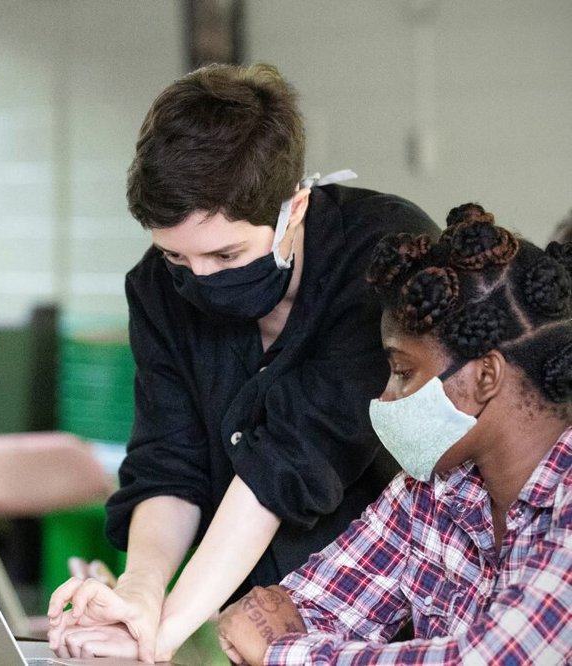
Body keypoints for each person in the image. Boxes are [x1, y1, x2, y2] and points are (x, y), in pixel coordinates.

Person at [47, 63, 440, 662]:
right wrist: (140, 594)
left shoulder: (381, 254)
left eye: (226, 254)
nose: (199, 280)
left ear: (295, 209)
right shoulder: (156, 288)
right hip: (237, 616)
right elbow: (168, 463)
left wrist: (162, 629)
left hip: (384, 610)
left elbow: (291, 459)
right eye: (177, 257)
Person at [217, 204, 572, 664]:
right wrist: (290, 641)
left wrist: (285, 652)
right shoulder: (429, 489)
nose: (386, 398)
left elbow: (490, 659)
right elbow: (309, 606)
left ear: (485, 377)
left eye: (403, 371)